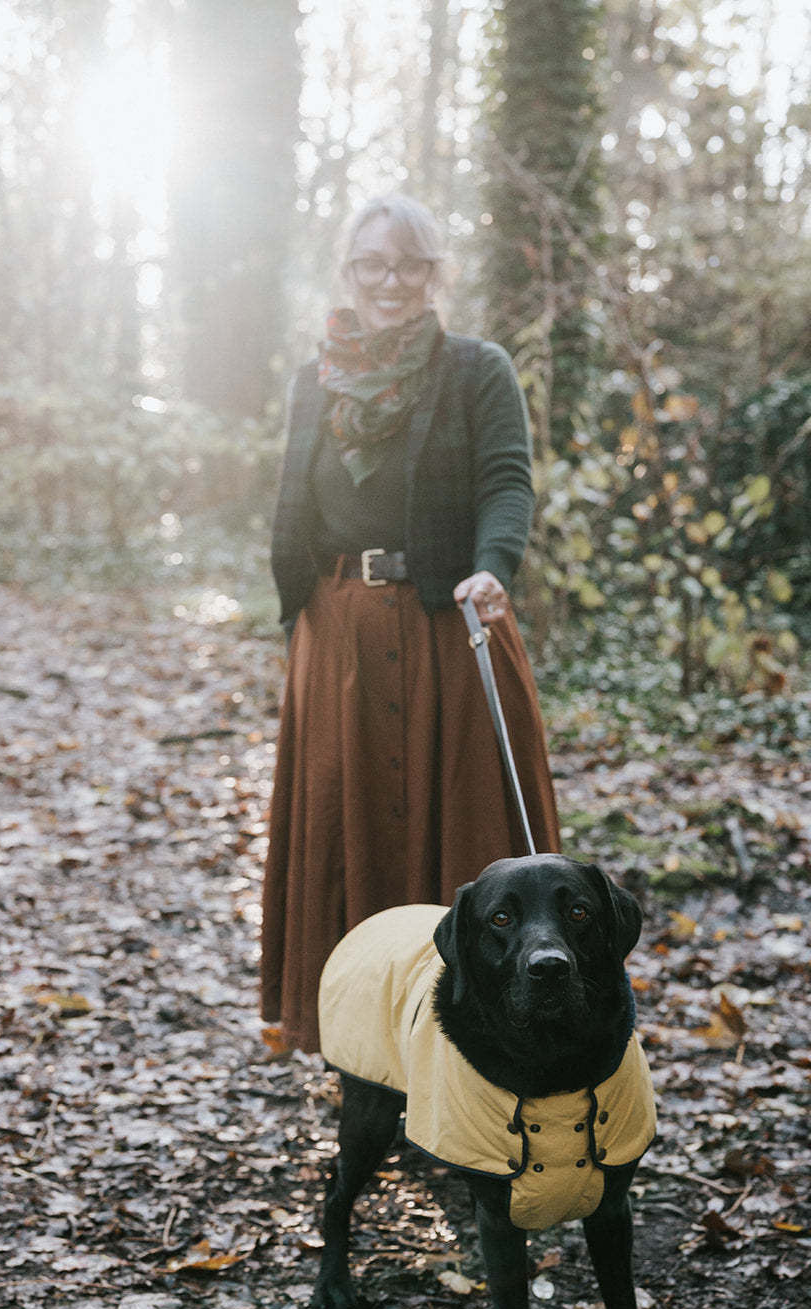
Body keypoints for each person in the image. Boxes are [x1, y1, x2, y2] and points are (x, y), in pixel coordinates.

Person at [261, 193, 560, 1055]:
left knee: (462, 833)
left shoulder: (476, 368)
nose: (389, 282)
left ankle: (474, 1043)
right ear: (346, 272)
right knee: (340, 831)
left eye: (408, 265)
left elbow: (507, 480)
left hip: (447, 624)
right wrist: (300, 614)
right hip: (338, 634)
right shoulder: (311, 379)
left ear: (435, 274)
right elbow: (294, 503)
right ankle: (361, 1048)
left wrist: (493, 568)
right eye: (371, 265)